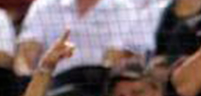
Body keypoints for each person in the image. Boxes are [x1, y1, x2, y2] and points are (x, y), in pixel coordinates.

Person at [15, 0, 147, 76]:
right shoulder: (44, 6)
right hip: (48, 86)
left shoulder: (124, 9)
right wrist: (30, 85)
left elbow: (114, 58)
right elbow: (24, 57)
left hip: (99, 87)